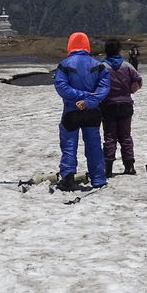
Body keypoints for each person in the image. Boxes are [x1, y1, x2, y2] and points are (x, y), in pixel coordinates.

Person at [54, 32, 111, 190]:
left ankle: (68, 179)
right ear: (87, 45)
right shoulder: (98, 65)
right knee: (93, 145)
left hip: (71, 111)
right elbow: (104, 89)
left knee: (69, 145)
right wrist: (88, 100)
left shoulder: (65, 65)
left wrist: (80, 97)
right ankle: (98, 179)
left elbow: (61, 87)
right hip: (92, 111)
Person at [101, 38, 144, 177]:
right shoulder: (127, 66)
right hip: (125, 104)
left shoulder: (102, 67)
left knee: (110, 137)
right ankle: (129, 166)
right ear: (119, 50)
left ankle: (107, 167)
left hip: (108, 105)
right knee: (125, 136)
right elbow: (138, 80)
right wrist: (130, 90)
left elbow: (96, 84)